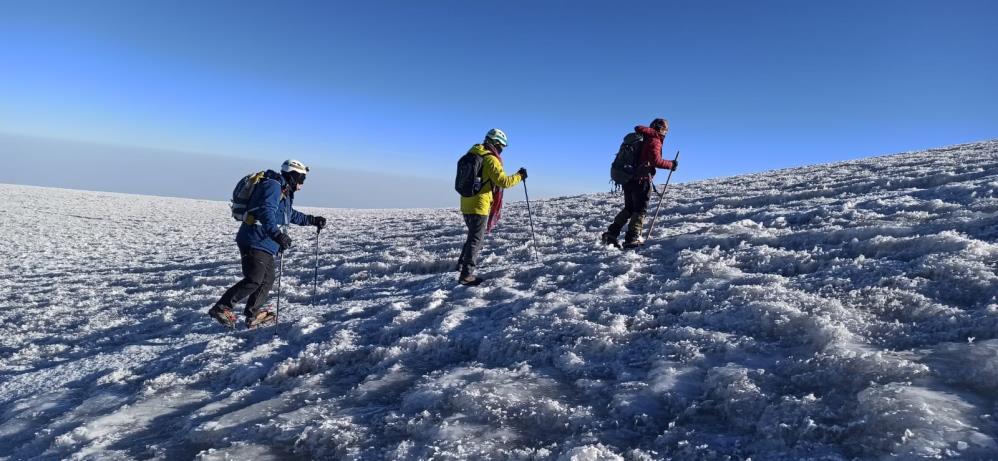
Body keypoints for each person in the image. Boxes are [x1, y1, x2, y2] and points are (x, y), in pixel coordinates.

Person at [209, 159, 327, 328]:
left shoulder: (283, 191)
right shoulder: (273, 186)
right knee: (254, 278)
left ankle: (253, 314)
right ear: (293, 176)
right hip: (255, 239)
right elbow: (266, 212)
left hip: (265, 242)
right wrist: (277, 234)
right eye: (301, 179)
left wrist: (311, 220)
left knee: (267, 279)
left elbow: (288, 215)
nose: (301, 184)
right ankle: (221, 307)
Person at [457, 128, 527, 286]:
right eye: (502, 146)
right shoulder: (490, 159)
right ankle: (466, 275)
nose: (502, 150)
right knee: (476, 239)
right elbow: (503, 182)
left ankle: (461, 265)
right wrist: (520, 176)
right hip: (479, 204)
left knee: (473, 236)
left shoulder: (473, 152)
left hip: (466, 201)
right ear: (496, 143)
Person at [602, 118, 678, 248]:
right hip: (641, 180)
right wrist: (671, 164)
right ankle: (632, 238)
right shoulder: (654, 139)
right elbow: (655, 160)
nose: (666, 132)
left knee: (629, 208)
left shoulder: (641, 137)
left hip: (629, 178)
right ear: (661, 129)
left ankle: (611, 233)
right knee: (640, 210)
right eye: (666, 129)